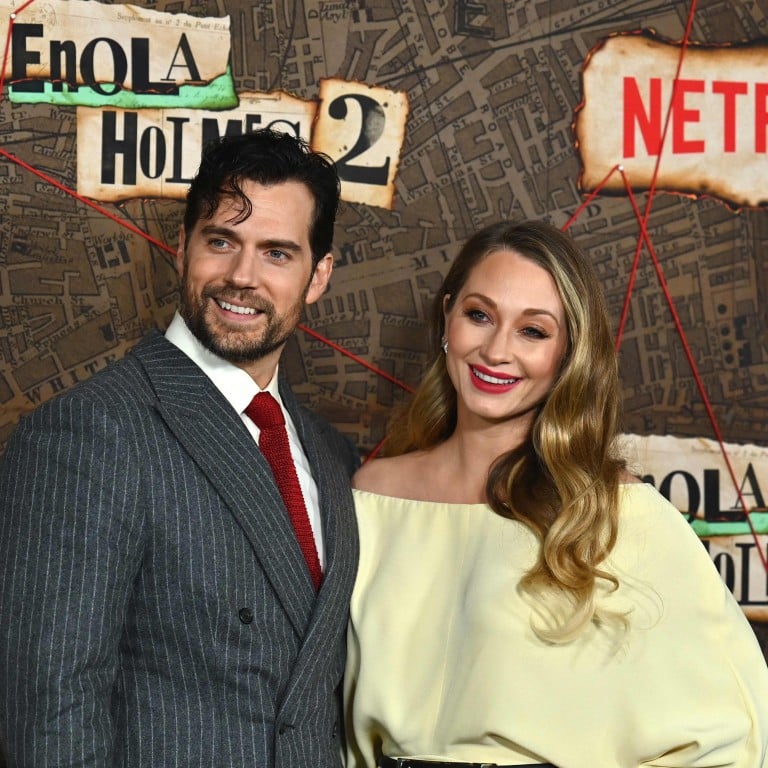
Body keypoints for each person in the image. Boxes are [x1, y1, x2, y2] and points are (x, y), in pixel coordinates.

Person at [344, 220, 768, 768]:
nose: (496, 350)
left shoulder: (618, 513)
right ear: (447, 316)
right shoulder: (368, 499)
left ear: (570, 352)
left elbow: (730, 733)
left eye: (533, 331)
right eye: (479, 315)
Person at [0, 129, 360, 767]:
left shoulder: (333, 458)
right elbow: (49, 722)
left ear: (318, 275)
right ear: (181, 246)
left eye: (277, 253)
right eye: (221, 242)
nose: (241, 277)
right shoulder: (87, 435)